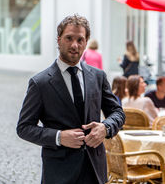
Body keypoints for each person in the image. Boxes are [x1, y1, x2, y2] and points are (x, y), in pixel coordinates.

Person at [16, 14, 125, 184]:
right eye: (69, 38)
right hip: (59, 173)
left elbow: (118, 112)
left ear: (86, 42)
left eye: (80, 39)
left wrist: (105, 127)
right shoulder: (40, 83)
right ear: (58, 40)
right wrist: (59, 137)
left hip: (95, 170)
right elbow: (24, 128)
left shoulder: (98, 76)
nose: (75, 45)